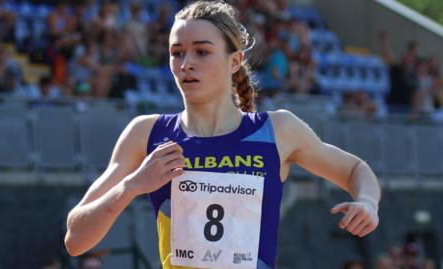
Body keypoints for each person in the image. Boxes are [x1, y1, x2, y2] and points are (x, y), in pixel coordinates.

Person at [64, 1, 380, 268]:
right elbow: (76, 240)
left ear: (234, 61)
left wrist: (367, 202)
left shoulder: (278, 130)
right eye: (177, 53)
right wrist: (133, 185)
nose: (186, 64)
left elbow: (355, 170)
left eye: (202, 52)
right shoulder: (147, 133)